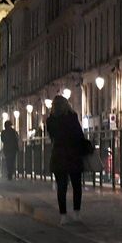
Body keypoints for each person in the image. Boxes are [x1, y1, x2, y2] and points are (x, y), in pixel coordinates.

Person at [45, 95, 87, 225]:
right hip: (73, 154)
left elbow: (52, 137)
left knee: (61, 187)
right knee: (76, 185)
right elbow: (79, 135)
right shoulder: (72, 117)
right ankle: (76, 213)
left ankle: (63, 215)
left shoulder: (50, 120)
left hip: (59, 154)